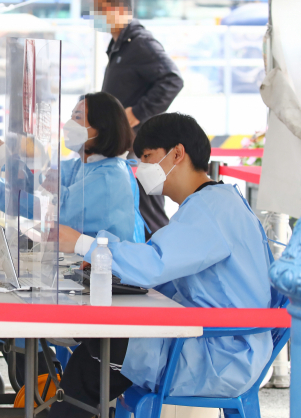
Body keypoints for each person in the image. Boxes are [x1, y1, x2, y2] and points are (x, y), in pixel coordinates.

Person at [50, 113, 281, 417]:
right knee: (96, 351)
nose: (141, 168)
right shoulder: (211, 203)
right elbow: (164, 267)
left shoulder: (211, 210)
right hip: (220, 342)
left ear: (177, 153)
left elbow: (155, 264)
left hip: (219, 354)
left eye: (147, 157)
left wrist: (84, 244)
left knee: (98, 351)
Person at [0, 92, 144, 385]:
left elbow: (55, 205)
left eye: (77, 118)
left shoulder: (109, 177)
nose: (68, 124)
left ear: (99, 128)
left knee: (13, 317)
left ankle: (45, 388)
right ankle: (44, 386)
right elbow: (37, 200)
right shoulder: (82, 166)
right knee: (9, 311)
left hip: (103, 292)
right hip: (78, 280)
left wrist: (8, 162)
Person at [90, 0, 184, 240]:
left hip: (140, 148)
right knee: (128, 207)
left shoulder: (139, 42)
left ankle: (162, 264)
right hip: (122, 144)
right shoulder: (119, 45)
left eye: (99, 8)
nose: (94, 15)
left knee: (146, 208)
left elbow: (172, 80)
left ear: (118, 7)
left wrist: (135, 114)